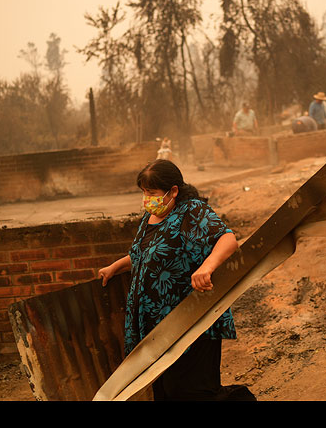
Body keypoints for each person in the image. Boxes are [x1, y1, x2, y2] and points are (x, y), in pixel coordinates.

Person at [98, 159, 256, 401]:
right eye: (143, 192)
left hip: (190, 318)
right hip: (156, 326)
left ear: (173, 191)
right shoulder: (150, 217)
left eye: (151, 193)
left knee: (193, 391)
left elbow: (227, 239)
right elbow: (142, 253)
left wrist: (207, 267)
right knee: (166, 391)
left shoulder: (191, 211)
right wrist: (114, 267)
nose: (146, 199)